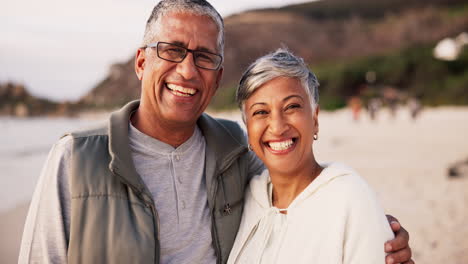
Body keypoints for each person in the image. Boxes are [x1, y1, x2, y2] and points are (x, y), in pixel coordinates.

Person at [19, 1, 413, 263]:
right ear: (141, 61)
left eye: (204, 56)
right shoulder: (76, 158)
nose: (188, 71)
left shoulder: (237, 152)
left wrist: (375, 231)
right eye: (172, 50)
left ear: (217, 76)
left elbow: (298, 185)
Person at [228, 49, 403, 263]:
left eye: (292, 106)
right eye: (261, 112)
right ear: (248, 127)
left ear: (315, 119)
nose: (277, 126)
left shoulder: (349, 198)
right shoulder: (246, 197)